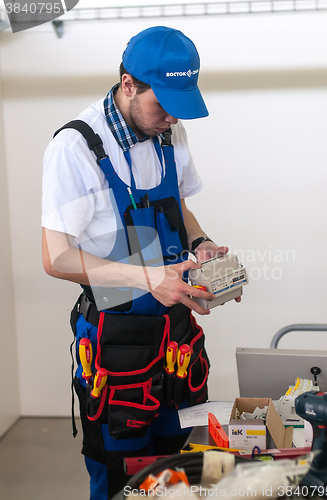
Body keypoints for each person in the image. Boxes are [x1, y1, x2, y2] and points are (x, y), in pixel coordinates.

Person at [42, 26, 241, 500]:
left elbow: (179, 205)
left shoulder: (169, 132)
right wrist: (149, 278)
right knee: (123, 475)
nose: (171, 116)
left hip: (176, 335)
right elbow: (55, 256)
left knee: (185, 471)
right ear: (128, 83)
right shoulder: (76, 148)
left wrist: (203, 242)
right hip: (116, 345)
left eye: (180, 104)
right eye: (163, 103)